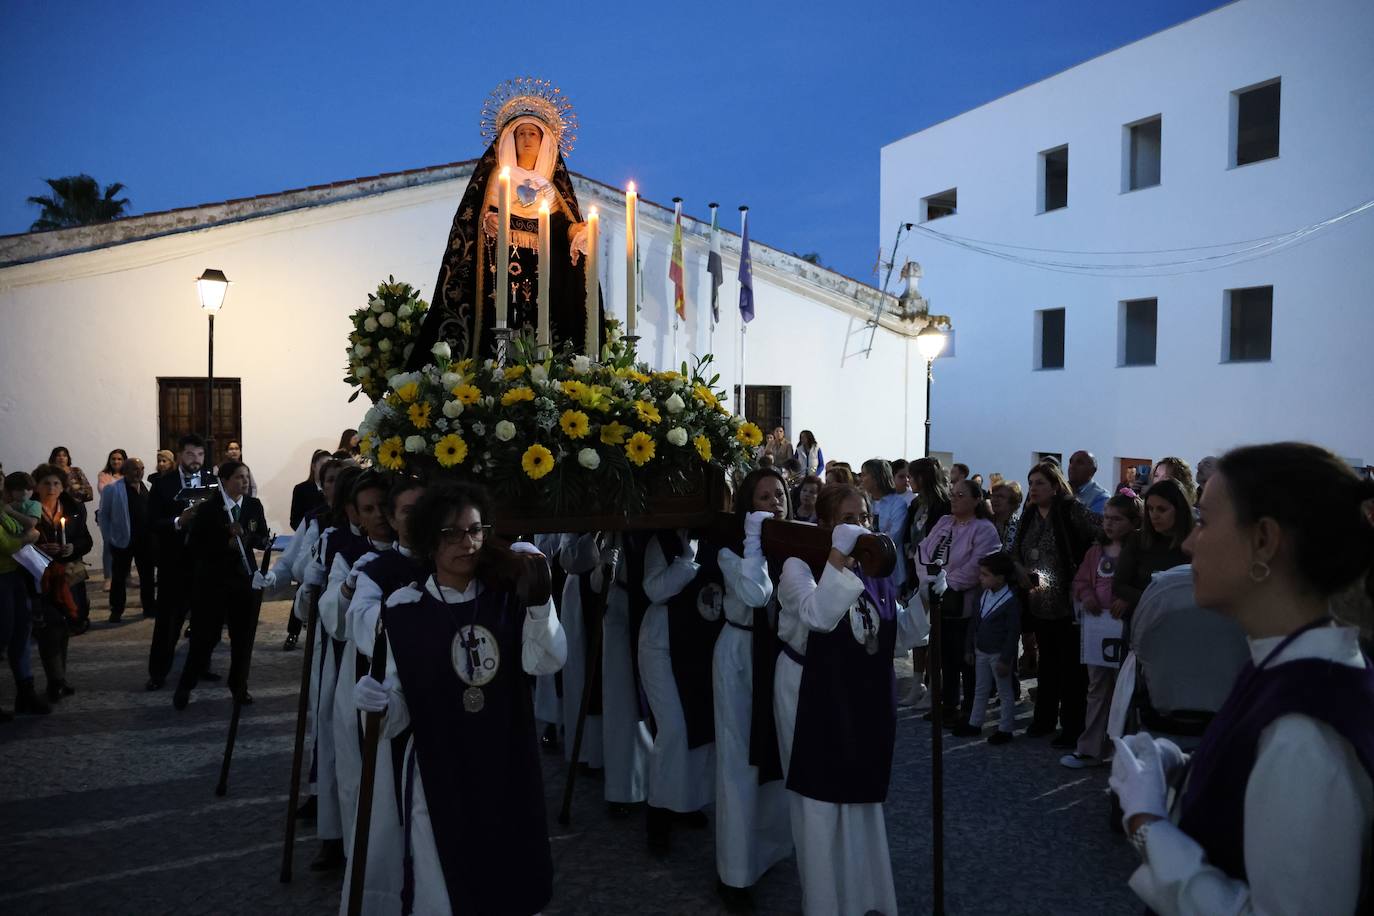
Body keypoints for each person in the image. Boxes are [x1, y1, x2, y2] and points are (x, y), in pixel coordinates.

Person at [1111, 442, 1374, 915]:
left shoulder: (1304, 730)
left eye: (1206, 522)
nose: (1190, 542)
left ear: (1263, 541)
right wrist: (1188, 772)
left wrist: (1147, 824)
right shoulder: (1286, 667)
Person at [352, 481, 566, 916]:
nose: (466, 544)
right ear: (431, 539)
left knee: (508, 871)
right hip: (439, 765)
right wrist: (377, 703)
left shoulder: (507, 596)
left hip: (503, 755)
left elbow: (546, 662)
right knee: (442, 883)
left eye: (475, 530)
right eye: (452, 534)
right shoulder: (405, 609)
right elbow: (397, 706)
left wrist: (541, 605)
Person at [774, 483, 926, 916]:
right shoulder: (797, 566)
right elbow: (817, 617)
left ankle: (863, 899)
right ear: (825, 524)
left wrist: (928, 602)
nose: (860, 527)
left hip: (856, 691)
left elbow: (894, 638)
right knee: (819, 803)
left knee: (858, 800)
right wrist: (836, 559)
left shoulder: (873, 570)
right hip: (808, 691)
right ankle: (823, 903)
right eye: (848, 519)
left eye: (864, 518)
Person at [411, 82, 597, 364]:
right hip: (501, 272)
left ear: (545, 142)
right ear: (510, 139)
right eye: (521, 133)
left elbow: (560, 226)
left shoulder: (550, 190)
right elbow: (472, 221)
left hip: (542, 275)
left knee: (541, 329)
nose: (527, 139)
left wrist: (576, 231)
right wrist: (489, 221)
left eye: (533, 133)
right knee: (501, 325)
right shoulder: (497, 182)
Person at [333, 476, 425, 916]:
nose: (415, 519)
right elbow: (361, 626)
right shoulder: (376, 571)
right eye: (405, 511)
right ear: (391, 517)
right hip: (396, 705)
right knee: (393, 818)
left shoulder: (452, 561)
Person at [710, 468, 793, 911]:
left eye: (779, 493)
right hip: (741, 653)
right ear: (747, 506)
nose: (774, 502)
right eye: (763, 497)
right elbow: (756, 593)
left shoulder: (791, 546)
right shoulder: (732, 548)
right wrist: (754, 539)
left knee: (776, 755)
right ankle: (735, 873)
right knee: (739, 761)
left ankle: (767, 850)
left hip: (776, 654)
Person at [636, 526, 723, 856]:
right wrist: (687, 561)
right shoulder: (661, 540)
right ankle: (658, 811)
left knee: (700, 724)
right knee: (673, 729)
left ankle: (685, 801)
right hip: (662, 644)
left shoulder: (718, 536)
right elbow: (655, 589)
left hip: (701, 644)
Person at [320, 470, 394, 849]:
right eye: (370, 509)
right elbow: (332, 618)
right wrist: (349, 586)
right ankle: (357, 849)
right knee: (358, 761)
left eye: (384, 506)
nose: (380, 515)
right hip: (360, 667)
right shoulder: (348, 555)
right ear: (356, 515)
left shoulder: (417, 553)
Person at [1011, 460, 1102, 748]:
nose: (1034, 488)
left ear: (1054, 486)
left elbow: (1099, 533)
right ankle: (1044, 720)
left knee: (1072, 670)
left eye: (1040, 483)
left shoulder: (1069, 509)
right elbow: (1014, 552)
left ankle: (1072, 727)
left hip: (1068, 603)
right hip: (1039, 603)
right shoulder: (1028, 516)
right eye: (1031, 483)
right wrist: (1020, 572)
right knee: (1047, 665)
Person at [173, 459, 268, 710]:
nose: (244, 481)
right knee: (205, 637)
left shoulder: (253, 505)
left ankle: (239, 686)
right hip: (213, 583)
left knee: (242, 638)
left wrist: (249, 538)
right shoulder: (209, 509)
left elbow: (262, 537)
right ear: (224, 481)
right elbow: (195, 546)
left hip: (244, 581)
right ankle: (186, 683)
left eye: (246, 477)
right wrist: (223, 542)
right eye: (238, 477)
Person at [1062, 491, 1142, 768]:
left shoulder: (1138, 552)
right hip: (1098, 630)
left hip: (1127, 630)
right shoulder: (1095, 552)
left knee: (1127, 690)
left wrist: (1127, 599)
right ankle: (1090, 747)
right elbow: (1081, 580)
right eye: (1107, 518)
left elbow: (1144, 585)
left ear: (1133, 522)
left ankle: (1124, 751)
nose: (1109, 524)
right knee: (1097, 688)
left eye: (1117, 519)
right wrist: (1086, 596)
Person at [916, 477, 1002, 726]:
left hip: (965, 604)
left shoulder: (984, 529)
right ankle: (948, 703)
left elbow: (978, 566)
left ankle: (970, 709)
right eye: (953, 494)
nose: (954, 499)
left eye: (961, 495)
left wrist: (945, 584)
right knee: (943, 656)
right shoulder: (944, 522)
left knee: (966, 658)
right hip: (937, 600)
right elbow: (923, 551)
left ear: (976, 500)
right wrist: (929, 581)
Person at [146, 434, 210, 691]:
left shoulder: (210, 482)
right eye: (191, 454)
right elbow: (151, 522)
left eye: (200, 455)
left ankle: (200, 667)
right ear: (180, 455)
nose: (196, 460)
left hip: (203, 563)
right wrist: (178, 522)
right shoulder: (163, 485)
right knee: (168, 623)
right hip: (174, 563)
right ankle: (158, 673)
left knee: (205, 621)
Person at [32, 463, 93, 701]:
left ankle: (61, 678)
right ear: (37, 486)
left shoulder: (72, 507)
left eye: (56, 483)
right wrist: (39, 548)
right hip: (43, 577)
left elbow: (85, 540)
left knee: (65, 628)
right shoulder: (30, 512)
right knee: (50, 629)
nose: (51, 487)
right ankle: (55, 680)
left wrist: (72, 548)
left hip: (68, 575)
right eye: (46, 483)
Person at [957, 552, 1022, 743]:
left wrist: (1006, 659)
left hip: (998, 654)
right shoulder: (982, 595)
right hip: (981, 650)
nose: (980, 578)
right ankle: (975, 723)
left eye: (985, 575)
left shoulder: (1010, 601)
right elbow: (974, 623)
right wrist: (969, 648)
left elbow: (1013, 633)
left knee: (1004, 691)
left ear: (1000, 578)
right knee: (981, 688)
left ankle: (1005, 728)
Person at [1114, 478, 1193, 628]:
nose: (1154, 515)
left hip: (1184, 623)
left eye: (1162, 509)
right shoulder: (1137, 539)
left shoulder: (1195, 542)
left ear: (1179, 509)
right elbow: (1119, 585)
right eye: (1150, 509)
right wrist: (1152, 599)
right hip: (1144, 622)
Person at [1, 484, 46, 717]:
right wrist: (30, 536)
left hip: (15, 575)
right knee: (3, 634)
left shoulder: (5, 508)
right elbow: (7, 544)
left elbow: (21, 529)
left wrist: (27, 535)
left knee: (22, 633)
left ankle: (26, 692)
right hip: (1, 578)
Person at [99, 457, 155, 622]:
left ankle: (149, 607)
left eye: (142, 468)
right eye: (135, 469)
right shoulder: (112, 489)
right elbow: (104, 515)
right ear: (125, 471)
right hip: (123, 539)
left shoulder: (149, 486)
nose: (139, 472)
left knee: (147, 576)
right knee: (119, 576)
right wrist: (108, 537)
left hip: (145, 539)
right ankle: (117, 609)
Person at [861, 458, 910, 595]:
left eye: (865, 474)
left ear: (876, 477)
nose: (861, 478)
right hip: (866, 568)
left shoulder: (897, 503)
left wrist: (867, 539)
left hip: (890, 572)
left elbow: (893, 538)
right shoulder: (865, 502)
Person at [96, 448, 127, 590]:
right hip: (108, 514)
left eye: (119, 459)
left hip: (125, 514)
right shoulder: (104, 475)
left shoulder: (128, 475)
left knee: (127, 545)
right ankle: (108, 578)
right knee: (108, 546)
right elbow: (104, 490)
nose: (116, 461)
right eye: (113, 458)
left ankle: (127, 576)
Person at [1068, 450, 1109, 515]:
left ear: (1093, 470)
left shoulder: (1101, 497)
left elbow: (1092, 523)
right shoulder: (1058, 489)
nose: (1072, 466)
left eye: (1079, 463)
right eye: (1071, 462)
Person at [990, 480, 1023, 550]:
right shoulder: (985, 523)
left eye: (1000, 496)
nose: (994, 499)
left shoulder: (1021, 526)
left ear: (1013, 501)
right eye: (993, 495)